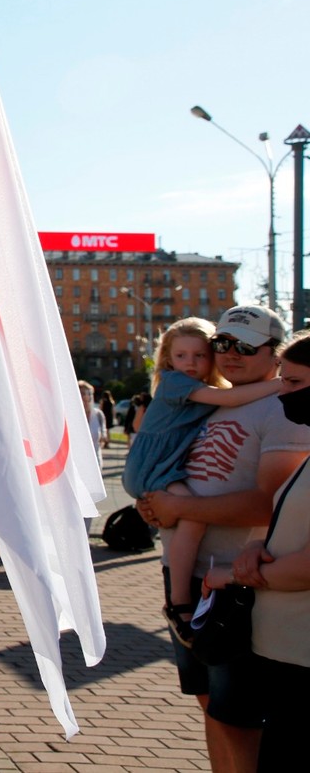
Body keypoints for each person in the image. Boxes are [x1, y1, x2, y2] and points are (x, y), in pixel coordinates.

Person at [138, 305, 310, 771]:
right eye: (224, 344)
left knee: (239, 718)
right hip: (186, 575)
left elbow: (269, 503)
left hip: (234, 585)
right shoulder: (210, 401)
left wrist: (180, 509)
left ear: (274, 355)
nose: (230, 355)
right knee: (211, 704)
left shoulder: (285, 408)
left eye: (246, 347)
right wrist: (152, 502)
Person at [124, 317, 281, 644]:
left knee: (190, 517)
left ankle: (178, 600)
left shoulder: (205, 391)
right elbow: (232, 399)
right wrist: (284, 382)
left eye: (200, 355)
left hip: (161, 472)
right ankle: (179, 602)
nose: (190, 363)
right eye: (181, 356)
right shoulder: (177, 383)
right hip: (154, 469)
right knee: (193, 519)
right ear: (168, 359)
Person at [203, 330, 310, 771]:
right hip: (284, 654)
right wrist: (259, 546)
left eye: (295, 383)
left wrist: (232, 574)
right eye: (282, 381)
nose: (283, 394)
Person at [79, 380, 109, 468]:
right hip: (78, 462)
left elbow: (104, 435)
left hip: (95, 461)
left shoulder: (98, 414)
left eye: (89, 394)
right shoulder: (70, 415)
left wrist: (103, 438)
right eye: (82, 394)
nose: (86, 397)